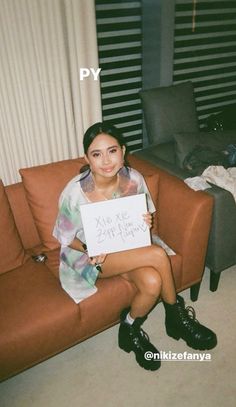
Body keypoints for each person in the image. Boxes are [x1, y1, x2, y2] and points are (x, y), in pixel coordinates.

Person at [53, 121, 217, 371]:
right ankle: (175, 315)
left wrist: (147, 220)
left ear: (123, 150)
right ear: (87, 157)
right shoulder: (75, 191)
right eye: (97, 154)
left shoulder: (133, 179)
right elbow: (63, 238)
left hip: (127, 249)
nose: (106, 161)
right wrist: (89, 248)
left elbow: (145, 218)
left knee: (152, 283)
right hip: (92, 257)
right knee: (157, 253)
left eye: (112, 151)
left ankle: (128, 329)